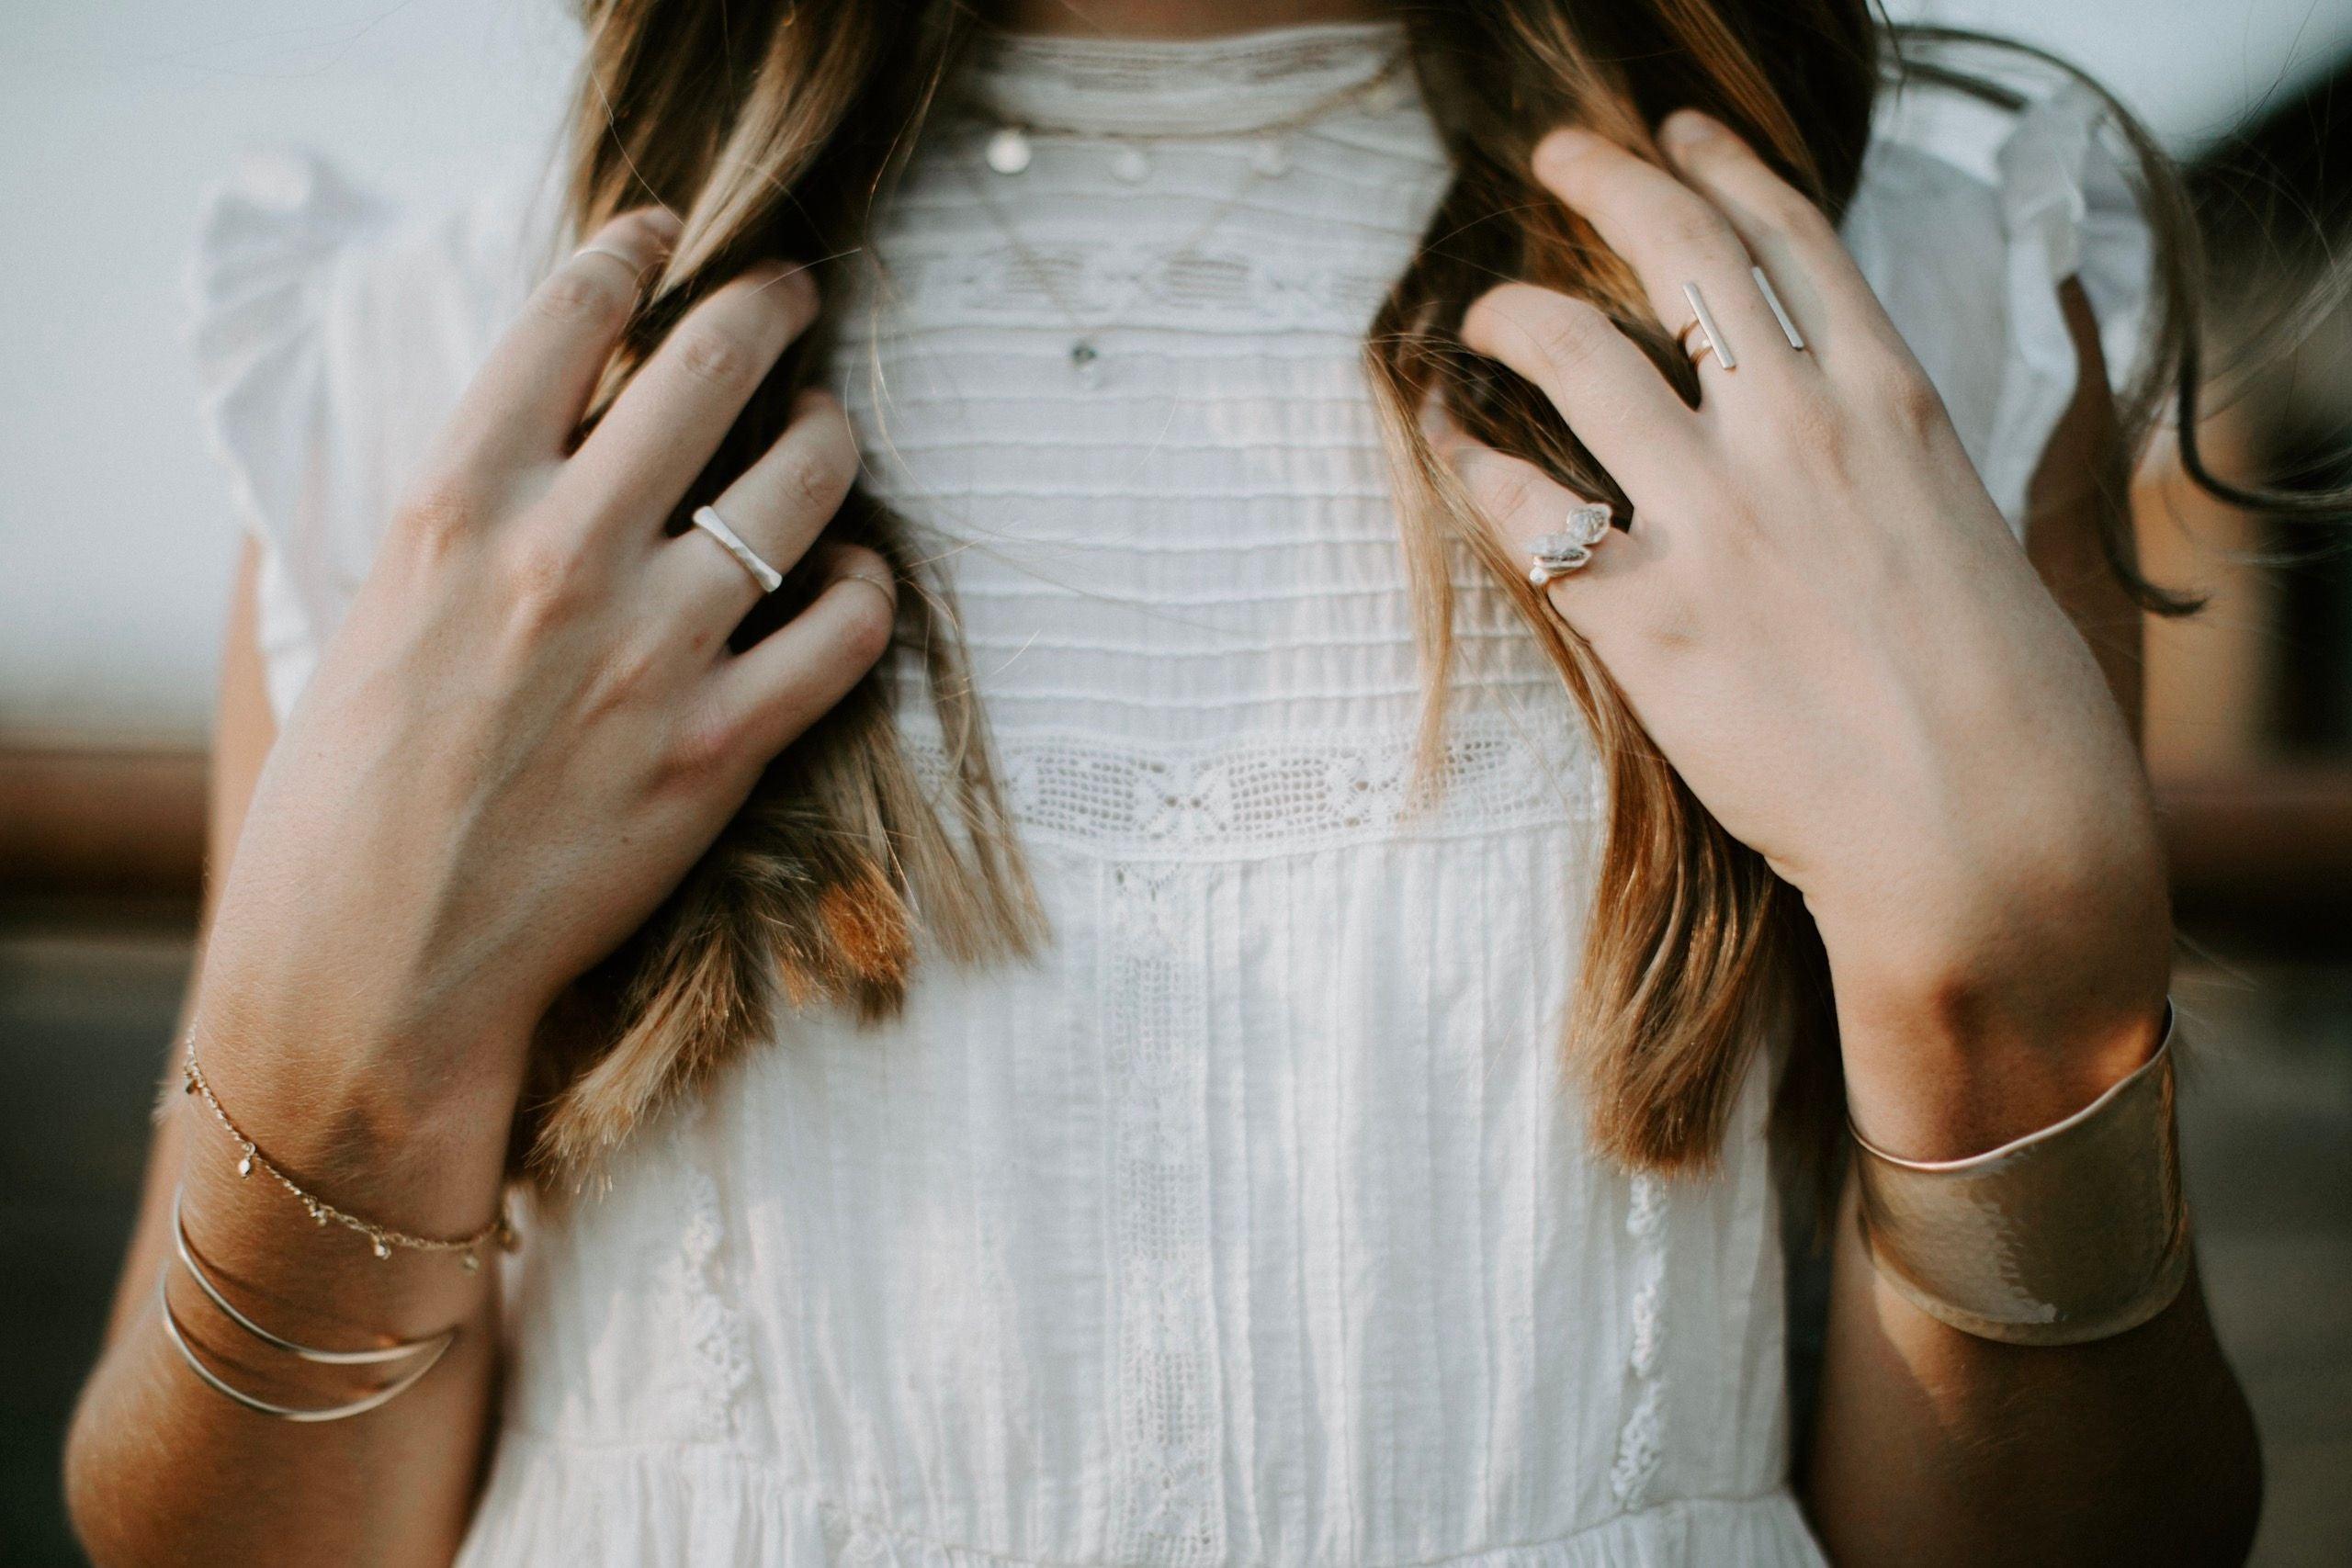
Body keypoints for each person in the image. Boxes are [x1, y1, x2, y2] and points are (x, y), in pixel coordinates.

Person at [66, 1, 2277, 1562]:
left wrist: (2010, 1000)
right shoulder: (459, 361)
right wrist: (336, 1058)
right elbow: (222, 1538)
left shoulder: (1893, 308)